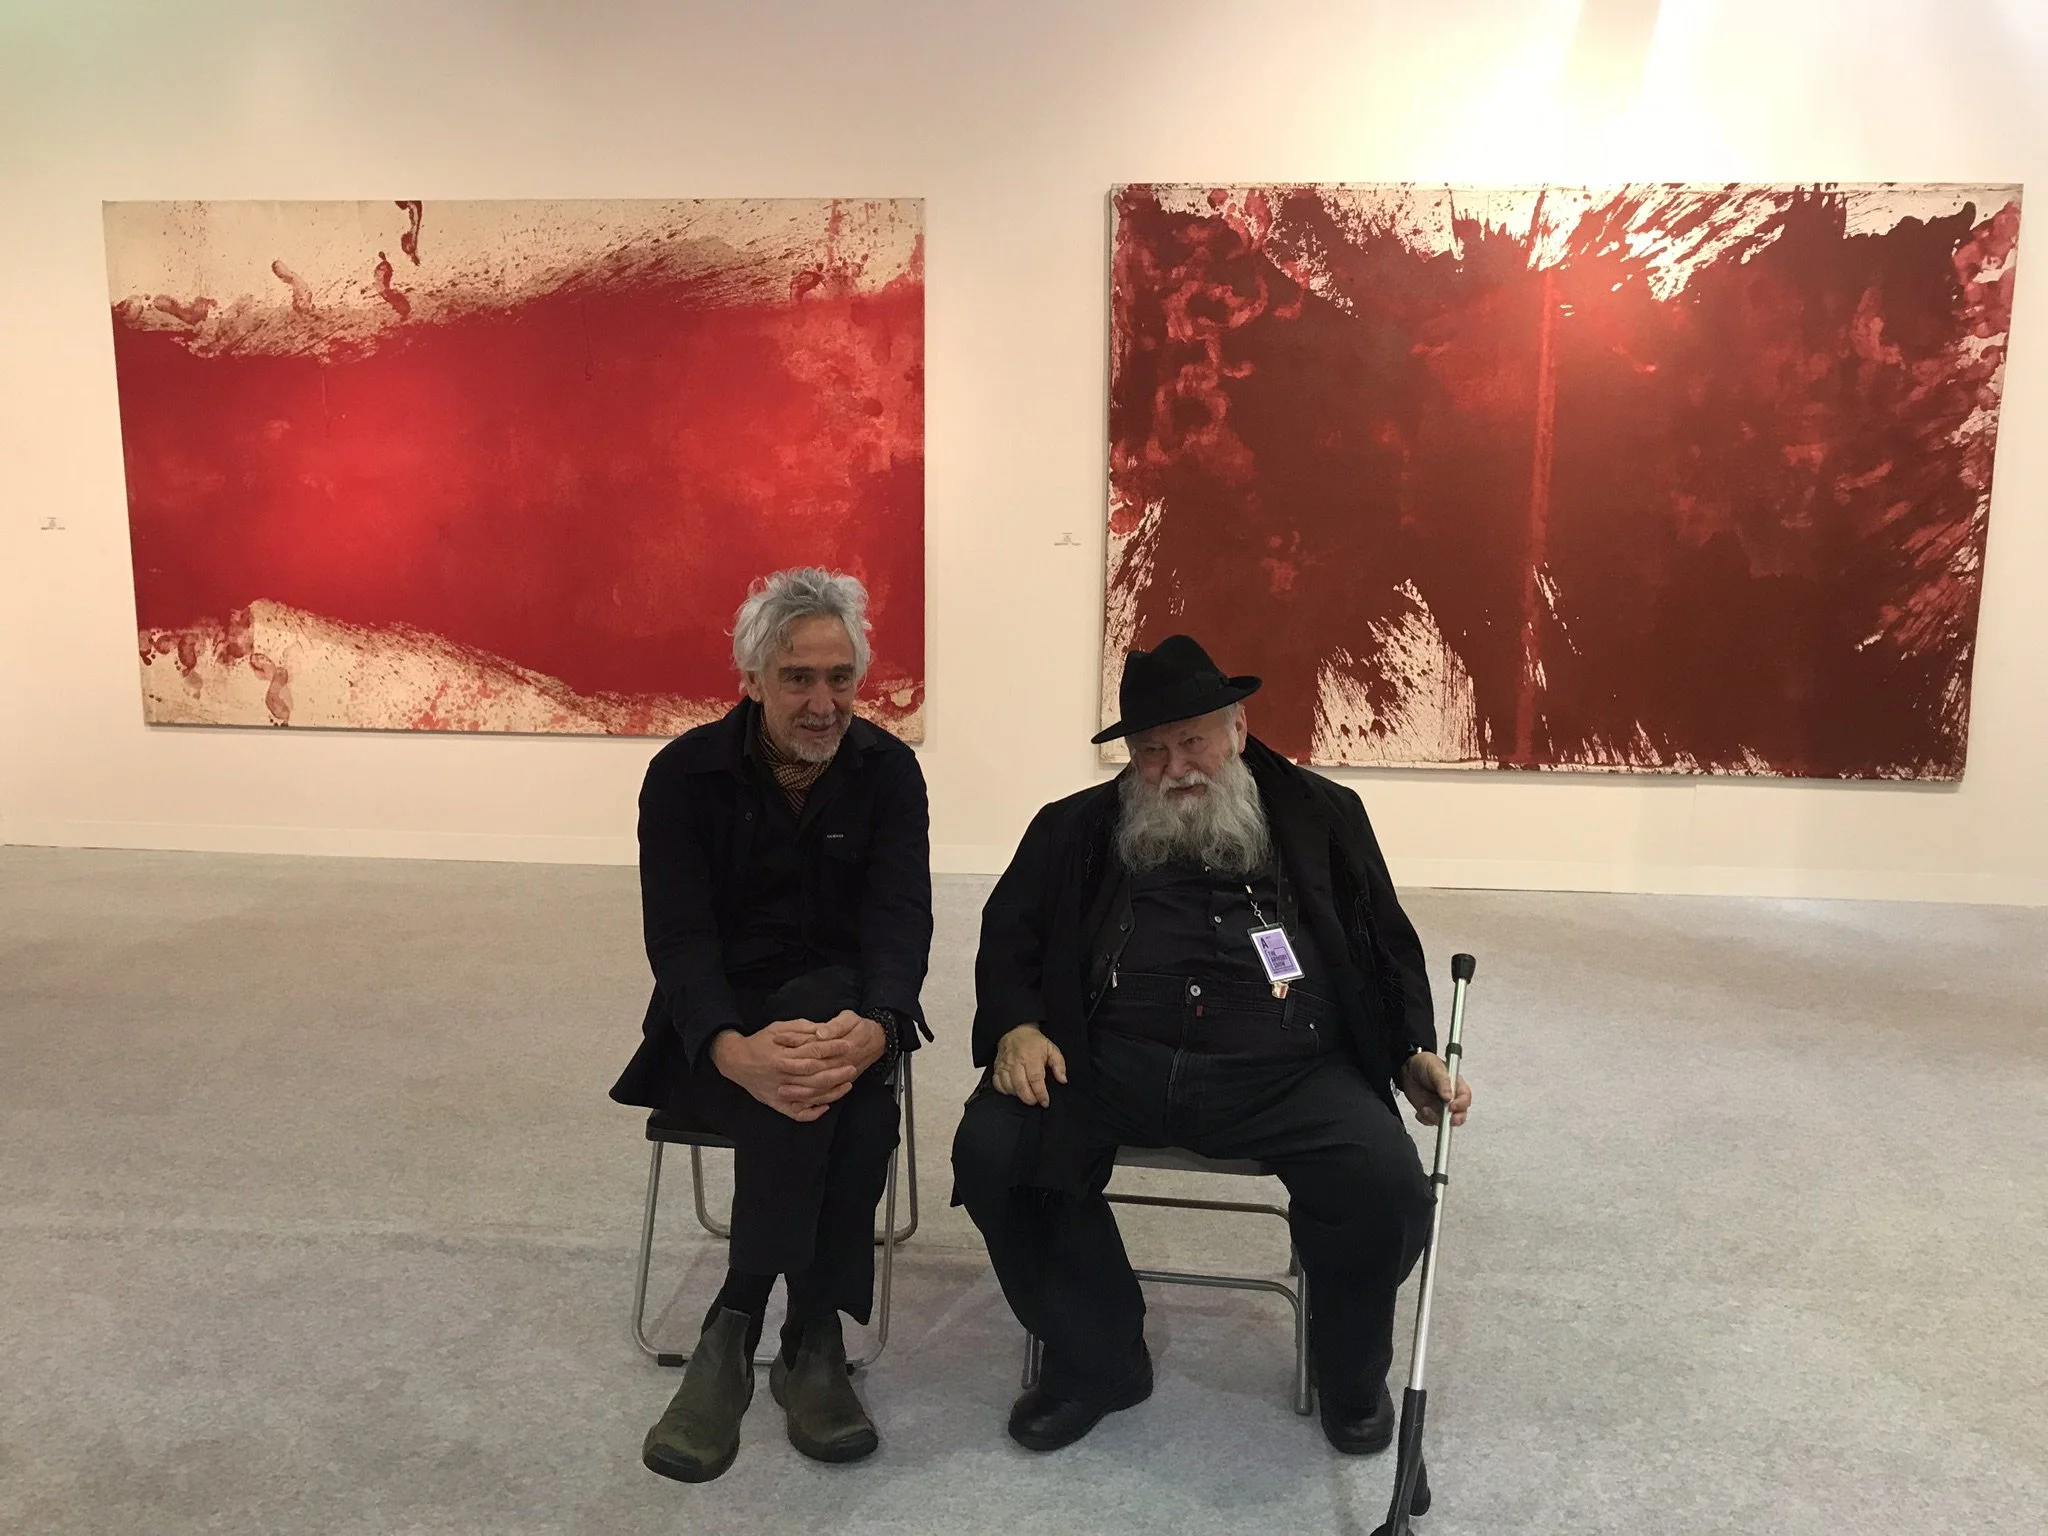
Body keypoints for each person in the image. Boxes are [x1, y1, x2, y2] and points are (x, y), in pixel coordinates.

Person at [951, 634, 1472, 1454]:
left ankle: (1348, 1370)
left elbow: (1383, 946)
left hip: (1288, 1069)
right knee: (995, 1149)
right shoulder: (1073, 827)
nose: (1176, 767)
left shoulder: (1324, 816)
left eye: (1192, 740)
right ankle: (1097, 1360)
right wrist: (1018, 1025)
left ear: (1238, 727)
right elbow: (1010, 937)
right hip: (1106, 1058)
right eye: (1151, 751)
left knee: (1386, 1187)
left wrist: (1410, 1050)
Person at [611, 567, 932, 1482]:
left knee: (828, 1061)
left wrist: (882, 1024)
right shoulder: (683, 776)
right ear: (751, 679)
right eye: (798, 678)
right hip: (717, 1029)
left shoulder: (888, 771)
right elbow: (678, 939)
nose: (824, 703)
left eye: (840, 678)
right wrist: (730, 1049)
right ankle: (808, 1339)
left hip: (846, 1025)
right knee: (850, 1113)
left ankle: (736, 1324)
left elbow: (902, 918)